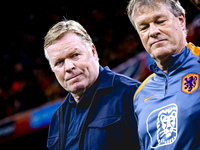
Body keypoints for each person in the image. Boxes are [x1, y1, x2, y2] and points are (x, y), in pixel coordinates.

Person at [44, 20, 140, 150]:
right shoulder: (57, 118)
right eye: (59, 62)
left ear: (93, 52)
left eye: (75, 55)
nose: (69, 67)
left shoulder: (132, 93)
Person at [127, 0, 200, 149]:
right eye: (144, 27)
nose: (153, 31)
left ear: (181, 21)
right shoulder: (140, 94)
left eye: (160, 21)